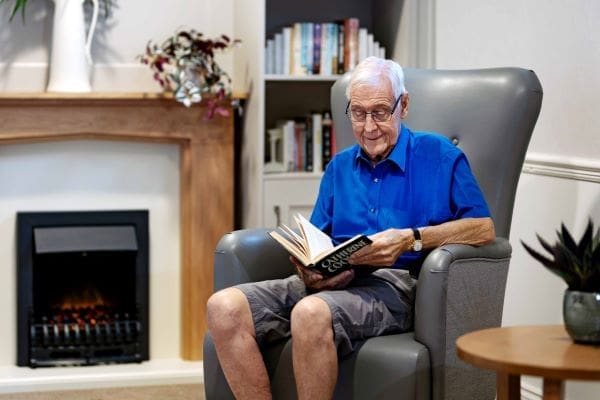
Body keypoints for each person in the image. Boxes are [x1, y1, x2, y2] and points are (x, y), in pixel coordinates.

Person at [206, 56, 496, 400]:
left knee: (311, 313)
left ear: (403, 105)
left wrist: (410, 239)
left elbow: (484, 228)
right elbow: (315, 240)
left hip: (396, 286)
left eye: (380, 112)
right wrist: (311, 271)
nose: (368, 127)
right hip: (336, 285)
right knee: (223, 307)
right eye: (358, 113)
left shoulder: (439, 155)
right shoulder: (340, 166)